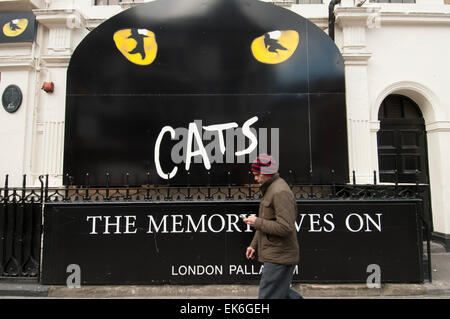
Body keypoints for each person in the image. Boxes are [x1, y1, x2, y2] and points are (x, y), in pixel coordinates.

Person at [243, 154, 302, 299]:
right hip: (276, 254)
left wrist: (256, 222)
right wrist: (254, 245)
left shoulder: (280, 192)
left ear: (267, 173)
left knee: (268, 296)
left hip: (279, 256)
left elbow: (285, 227)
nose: (255, 178)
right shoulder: (270, 189)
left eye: (257, 175)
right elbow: (267, 220)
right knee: (281, 293)